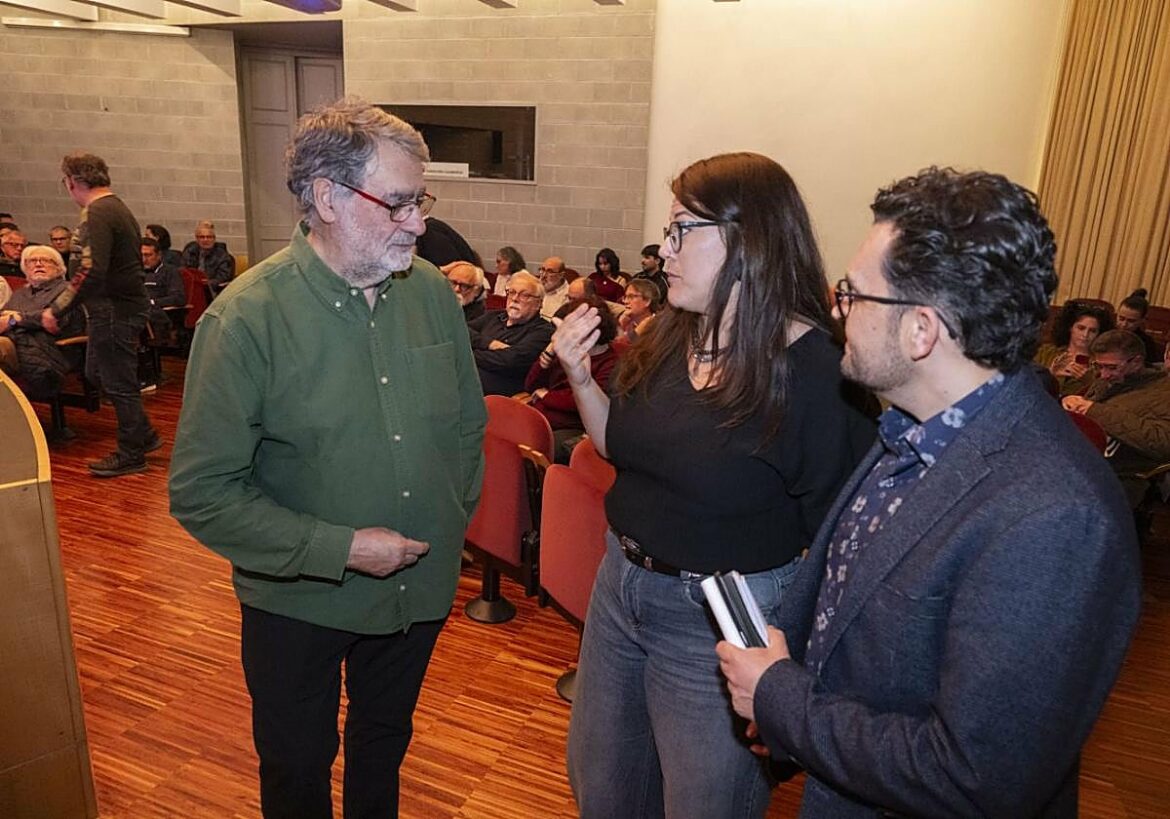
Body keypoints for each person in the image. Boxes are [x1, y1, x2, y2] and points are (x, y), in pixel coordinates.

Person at [717, 167, 1142, 819]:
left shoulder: (1058, 515)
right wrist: (782, 696)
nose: (837, 310)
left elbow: (976, 776)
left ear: (922, 329)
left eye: (854, 295)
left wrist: (781, 698)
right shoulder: (911, 427)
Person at [169, 96, 486, 819]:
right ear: (328, 197)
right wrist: (340, 547)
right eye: (400, 203)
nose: (421, 222)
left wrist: (450, 520)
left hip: (416, 592)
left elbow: (467, 427)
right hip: (296, 602)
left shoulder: (433, 294)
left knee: (384, 744)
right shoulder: (245, 319)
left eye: (421, 199)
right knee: (298, 766)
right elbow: (202, 492)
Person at [553, 152, 876, 819]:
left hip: (723, 619)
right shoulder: (671, 333)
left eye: (680, 231)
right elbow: (619, 447)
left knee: (705, 805)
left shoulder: (817, 373)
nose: (661, 251)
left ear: (747, 240)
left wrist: (793, 675)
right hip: (621, 586)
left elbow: (845, 546)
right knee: (601, 790)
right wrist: (581, 378)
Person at [43, 152, 160, 477]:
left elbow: (92, 269)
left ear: (72, 182)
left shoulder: (96, 212)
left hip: (114, 309)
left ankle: (132, 452)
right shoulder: (116, 207)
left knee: (116, 380)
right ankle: (144, 433)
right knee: (97, 373)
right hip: (119, 307)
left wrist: (57, 307)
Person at [1063, 329, 1170, 506]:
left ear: (1136, 362)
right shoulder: (1109, 380)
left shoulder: (1163, 393)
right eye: (1099, 366)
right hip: (1080, 463)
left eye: (1112, 367)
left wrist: (1094, 410)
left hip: (1120, 476)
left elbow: (1162, 442)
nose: (1104, 374)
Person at [526, 296, 621, 463]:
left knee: (534, 444)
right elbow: (530, 384)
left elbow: (578, 402)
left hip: (572, 425)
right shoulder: (566, 350)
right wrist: (549, 351)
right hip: (542, 414)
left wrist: (546, 396)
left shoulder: (611, 363)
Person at [0, 246, 86, 397]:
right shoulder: (20, 293)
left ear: (59, 268)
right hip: (18, 343)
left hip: (48, 347)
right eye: (32, 261)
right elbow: (5, 317)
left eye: (46, 261)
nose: (38, 264)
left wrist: (17, 318)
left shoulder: (67, 290)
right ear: (25, 268)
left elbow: (59, 319)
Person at [468, 269, 552, 396]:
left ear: (538, 303)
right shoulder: (494, 316)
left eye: (524, 295)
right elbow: (461, 332)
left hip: (499, 396)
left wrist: (466, 354)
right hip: (465, 381)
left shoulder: (544, 331)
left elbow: (509, 360)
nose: (515, 299)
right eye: (512, 292)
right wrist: (489, 344)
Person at [1034, 299, 1113, 396]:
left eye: (1092, 331)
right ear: (1070, 328)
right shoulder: (1045, 351)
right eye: (1081, 328)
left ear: (1099, 334)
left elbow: (1107, 396)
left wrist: (1089, 381)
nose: (1085, 335)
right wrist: (1050, 374)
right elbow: (1025, 382)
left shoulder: (1102, 363)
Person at [141, 237, 186, 340]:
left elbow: (178, 298)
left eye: (148, 255)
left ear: (159, 255)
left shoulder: (170, 272)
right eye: (141, 255)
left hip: (157, 313)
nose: (143, 259)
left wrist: (153, 302)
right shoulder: (134, 272)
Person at [180, 220, 236, 291]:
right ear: (197, 239)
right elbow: (182, 272)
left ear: (214, 239)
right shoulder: (189, 252)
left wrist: (205, 284)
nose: (205, 240)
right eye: (202, 237)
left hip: (212, 291)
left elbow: (223, 278)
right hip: (191, 288)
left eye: (209, 237)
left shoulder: (223, 256)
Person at [1115, 288, 1162, 365]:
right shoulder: (1107, 333)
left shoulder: (1146, 343)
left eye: (1131, 321)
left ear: (1142, 320)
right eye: (1121, 318)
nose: (1124, 324)